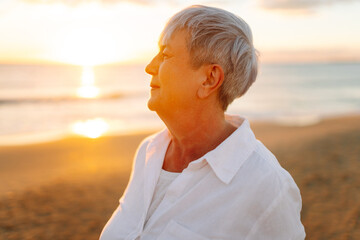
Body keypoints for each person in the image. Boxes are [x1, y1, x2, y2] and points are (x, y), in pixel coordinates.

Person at [100, 5, 305, 240]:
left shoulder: (268, 187)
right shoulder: (149, 152)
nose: (149, 67)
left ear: (209, 78)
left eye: (165, 55)